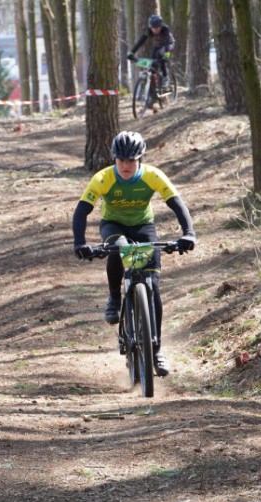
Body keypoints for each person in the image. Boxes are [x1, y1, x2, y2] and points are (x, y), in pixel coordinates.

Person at [71, 131, 196, 377]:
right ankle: (114, 299)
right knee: (118, 246)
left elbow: (177, 203)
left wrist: (189, 233)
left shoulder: (152, 176)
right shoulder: (103, 178)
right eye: (121, 160)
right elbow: (81, 211)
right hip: (113, 224)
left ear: (140, 159)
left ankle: (156, 350)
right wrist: (79, 242)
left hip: (143, 227)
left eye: (132, 160)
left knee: (154, 287)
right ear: (114, 158)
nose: (126, 166)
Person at [128, 14, 175, 90]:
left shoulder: (165, 29)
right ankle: (154, 86)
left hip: (169, 45)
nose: (155, 30)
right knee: (152, 60)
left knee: (160, 55)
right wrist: (132, 52)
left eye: (157, 28)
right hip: (158, 45)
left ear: (161, 26)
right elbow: (140, 42)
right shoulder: (149, 30)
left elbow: (167, 44)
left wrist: (166, 56)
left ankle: (165, 77)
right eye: (153, 28)